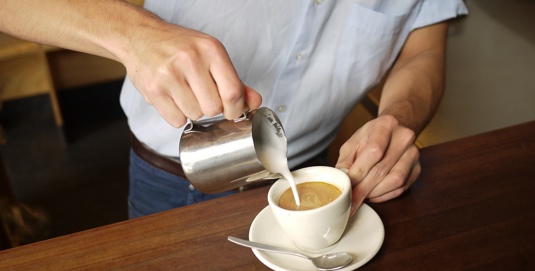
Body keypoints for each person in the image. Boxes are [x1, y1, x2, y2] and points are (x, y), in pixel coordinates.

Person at [1, 0, 468, 218]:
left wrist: (398, 119)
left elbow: (421, 51)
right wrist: (133, 32)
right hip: (176, 180)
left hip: (317, 170)